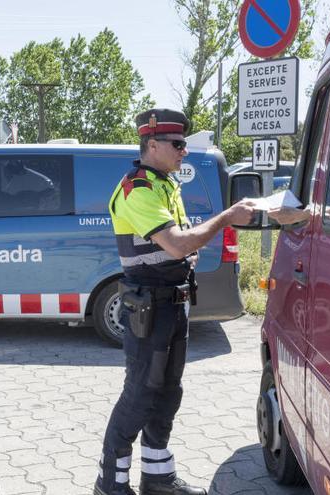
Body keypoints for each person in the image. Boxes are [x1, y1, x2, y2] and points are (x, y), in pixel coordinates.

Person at [96, 108, 255, 495]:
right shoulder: (140, 187)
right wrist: (227, 217)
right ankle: (110, 484)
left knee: (168, 393)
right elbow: (179, 241)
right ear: (152, 145)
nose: (184, 151)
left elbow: (175, 246)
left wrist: (184, 254)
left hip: (172, 305)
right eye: (178, 144)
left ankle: (158, 478)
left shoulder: (165, 183)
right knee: (140, 394)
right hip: (148, 308)